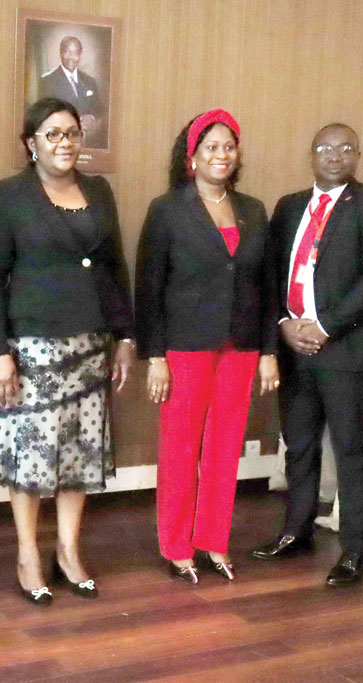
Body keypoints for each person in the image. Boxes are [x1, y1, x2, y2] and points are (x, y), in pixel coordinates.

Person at [0, 97, 136, 606]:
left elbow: (114, 267)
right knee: (31, 455)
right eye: (52, 134)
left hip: (91, 343)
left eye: (71, 133)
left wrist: (126, 337)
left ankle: (67, 551)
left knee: (80, 453)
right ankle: (28, 555)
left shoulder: (99, 190)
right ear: (31, 143)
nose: (64, 143)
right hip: (32, 347)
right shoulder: (6, 195)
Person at [250, 124, 363, 587]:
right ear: (311, 155)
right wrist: (283, 324)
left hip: (345, 348)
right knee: (299, 444)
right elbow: (271, 273)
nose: (334, 155)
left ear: (358, 155)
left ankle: (354, 549)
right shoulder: (289, 206)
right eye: (324, 148)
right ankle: (296, 531)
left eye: (345, 148)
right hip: (294, 348)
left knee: (353, 451)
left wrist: (326, 325)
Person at [134, 109, 279, 584]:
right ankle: (177, 546)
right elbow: (149, 287)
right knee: (180, 449)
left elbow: (267, 286)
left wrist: (269, 351)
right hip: (185, 346)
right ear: (192, 156)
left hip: (241, 347)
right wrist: (155, 356)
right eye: (211, 147)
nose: (222, 154)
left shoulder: (253, 209)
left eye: (229, 147)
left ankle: (213, 540)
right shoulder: (167, 209)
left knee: (224, 448)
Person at [37, 36, 104, 147]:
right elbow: (44, 114)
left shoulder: (90, 81)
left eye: (75, 53)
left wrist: (91, 117)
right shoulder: (47, 81)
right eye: (67, 52)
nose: (71, 57)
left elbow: (98, 109)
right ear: (61, 53)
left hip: (87, 144)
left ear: (80, 55)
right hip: (60, 143)